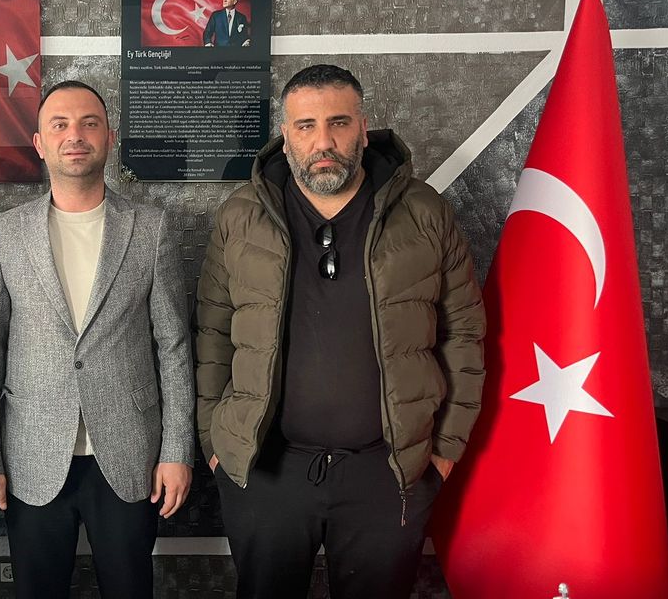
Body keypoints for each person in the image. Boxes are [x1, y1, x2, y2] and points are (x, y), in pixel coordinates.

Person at [194, 64, 485, 599]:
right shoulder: (241, 215)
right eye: (306, 126)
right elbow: (212, 331)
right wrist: (217, 442)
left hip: (388, 472)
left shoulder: (425, 213)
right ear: (286, 137)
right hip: (266, 471)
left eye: (339, 123)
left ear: (363, 128)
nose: (323, 142)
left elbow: (463, 333)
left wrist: (442, 451)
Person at [0, 80, 195, 599]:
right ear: (39, 143)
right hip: (31, 455)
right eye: (60, 125)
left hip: (131, 454)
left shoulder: (151, 228)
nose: (75, 136)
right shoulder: (5, 232)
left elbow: (174, 349)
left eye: (89, 123)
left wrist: (178, 450)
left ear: (109, 137)